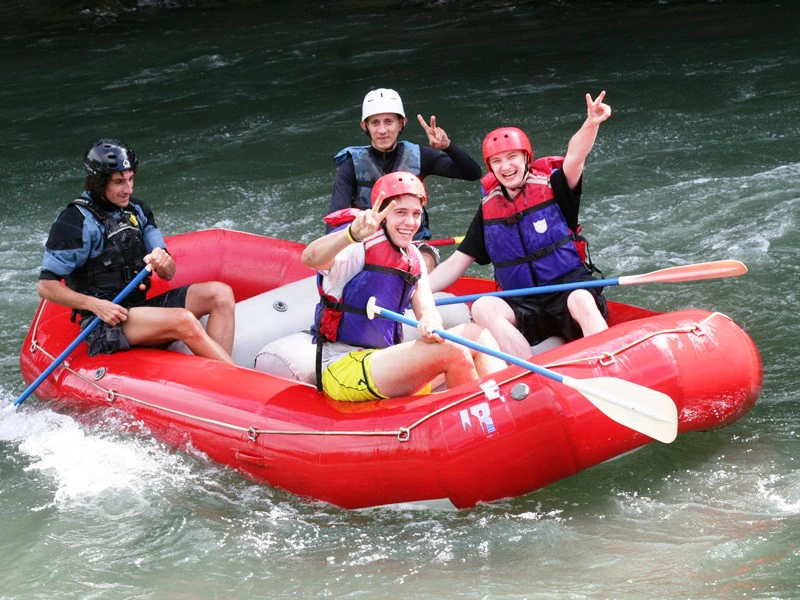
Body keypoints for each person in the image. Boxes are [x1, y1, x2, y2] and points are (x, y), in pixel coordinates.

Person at [429, 92, 613, 359]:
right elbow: (454, 264)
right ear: (490, 168)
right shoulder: (488, 209)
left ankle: (607, 360)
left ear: (526, 158)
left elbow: (576, 156)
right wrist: (414, 291)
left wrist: (591, 123)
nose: (505, 167)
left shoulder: (555, 187)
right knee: (483, 307)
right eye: (497, 161)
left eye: (512, 157)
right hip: (526, 306)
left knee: (581, 298)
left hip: (567, 291)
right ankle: (527, 373)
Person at [303, 171, 506, 402]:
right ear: (383, 215)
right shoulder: (357, 247)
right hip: (343, 366)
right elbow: (310, 258)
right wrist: (350, 234)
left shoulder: (414, 258)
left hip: (387, 362)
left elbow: (427, 310)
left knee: (477, 336)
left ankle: (503, 405)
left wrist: (430, 322)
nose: (410, 223)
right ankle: (482, 418)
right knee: (453, 351)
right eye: (400, 213)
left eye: (416, 214)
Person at [38, 138, 236, 364]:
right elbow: (46, 286)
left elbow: (168, 273)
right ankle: (239, 379)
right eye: (119, 182)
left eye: (131, 179)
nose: (128, 189)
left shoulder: (138, 210)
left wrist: (163, 261)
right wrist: (94, 305)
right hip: (104, 323)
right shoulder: (74, 222)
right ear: (98, 182)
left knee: (220, 294)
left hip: (139, 310)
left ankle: (222, 376)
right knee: (184, 320)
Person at [328, 87, 483, 241]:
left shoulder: (420, 156)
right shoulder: (350, 165)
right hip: (369, 242)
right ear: (365, 126)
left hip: (412, 241)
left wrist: (448, 146)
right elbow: (335, 221)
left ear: (401, 123)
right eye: (375, 123)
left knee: (427, 258)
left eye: (389, 122)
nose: (382, 130)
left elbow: (472, 173)